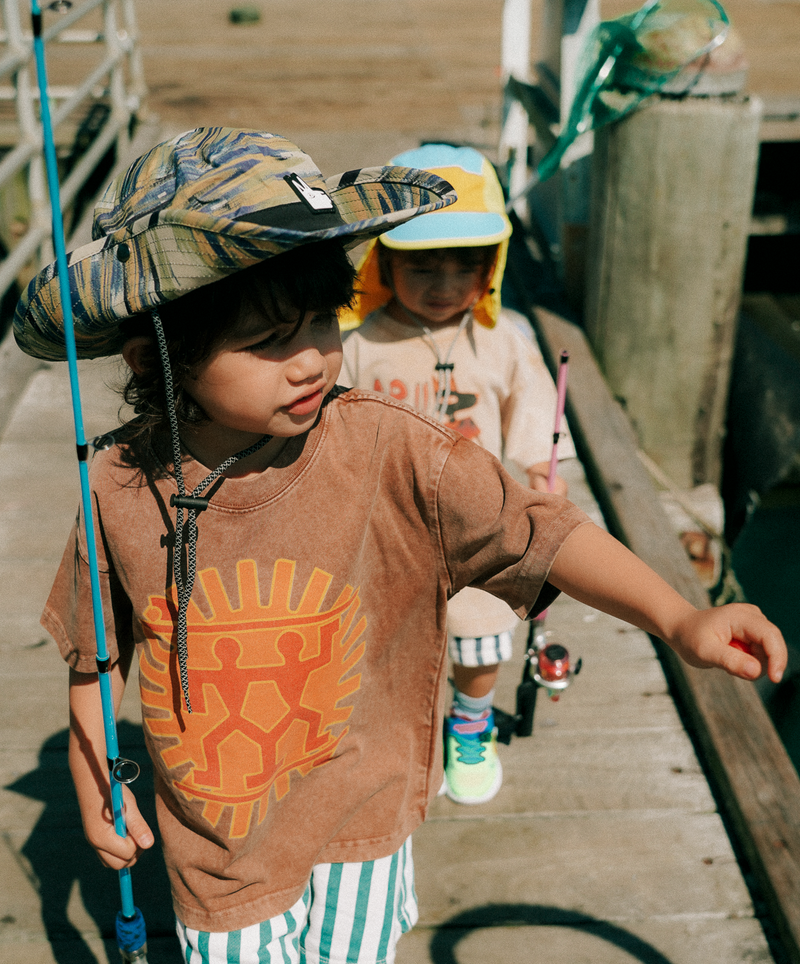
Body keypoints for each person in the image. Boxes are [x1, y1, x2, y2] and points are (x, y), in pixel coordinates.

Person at [14, 128, 786, 964]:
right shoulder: (118, 482)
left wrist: (679, 619)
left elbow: (540, 531)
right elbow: (95, 652)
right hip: (217, 845)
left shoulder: (396, 450)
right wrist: (97, 779)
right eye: (270, 339)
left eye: (322, 319)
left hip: (362, 816)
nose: (311, 357)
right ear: (154, 356)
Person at [340, 143, 575, 805]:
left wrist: (541, 475)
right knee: (382, 643)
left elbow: (534, 412)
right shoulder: (355, 341)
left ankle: (470, 726)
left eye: (463, 265)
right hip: (383, 531)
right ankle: (393, 735)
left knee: (479, 640)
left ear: (490, 268)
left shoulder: (505, 340)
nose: (443, 284)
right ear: (385, 261)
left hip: (479, 530)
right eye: (423, 264)